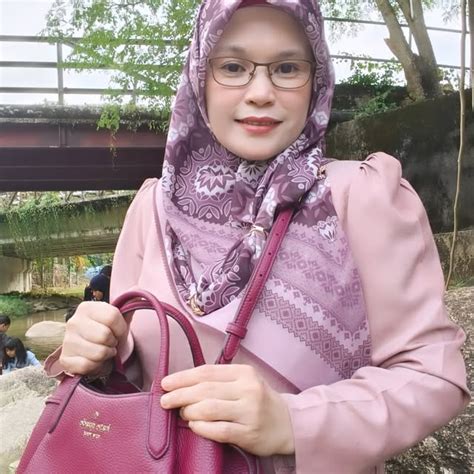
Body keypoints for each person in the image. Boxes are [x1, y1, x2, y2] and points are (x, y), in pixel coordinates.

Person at [45, 1, 469, 472]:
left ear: (316, 79)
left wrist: (293, 422)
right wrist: (98, 351)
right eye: (232, 67)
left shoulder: (361, 197)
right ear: (199, 77)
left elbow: (432, 376)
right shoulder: (155, 208)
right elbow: (134, 369)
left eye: (287, 68)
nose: (261, 92)